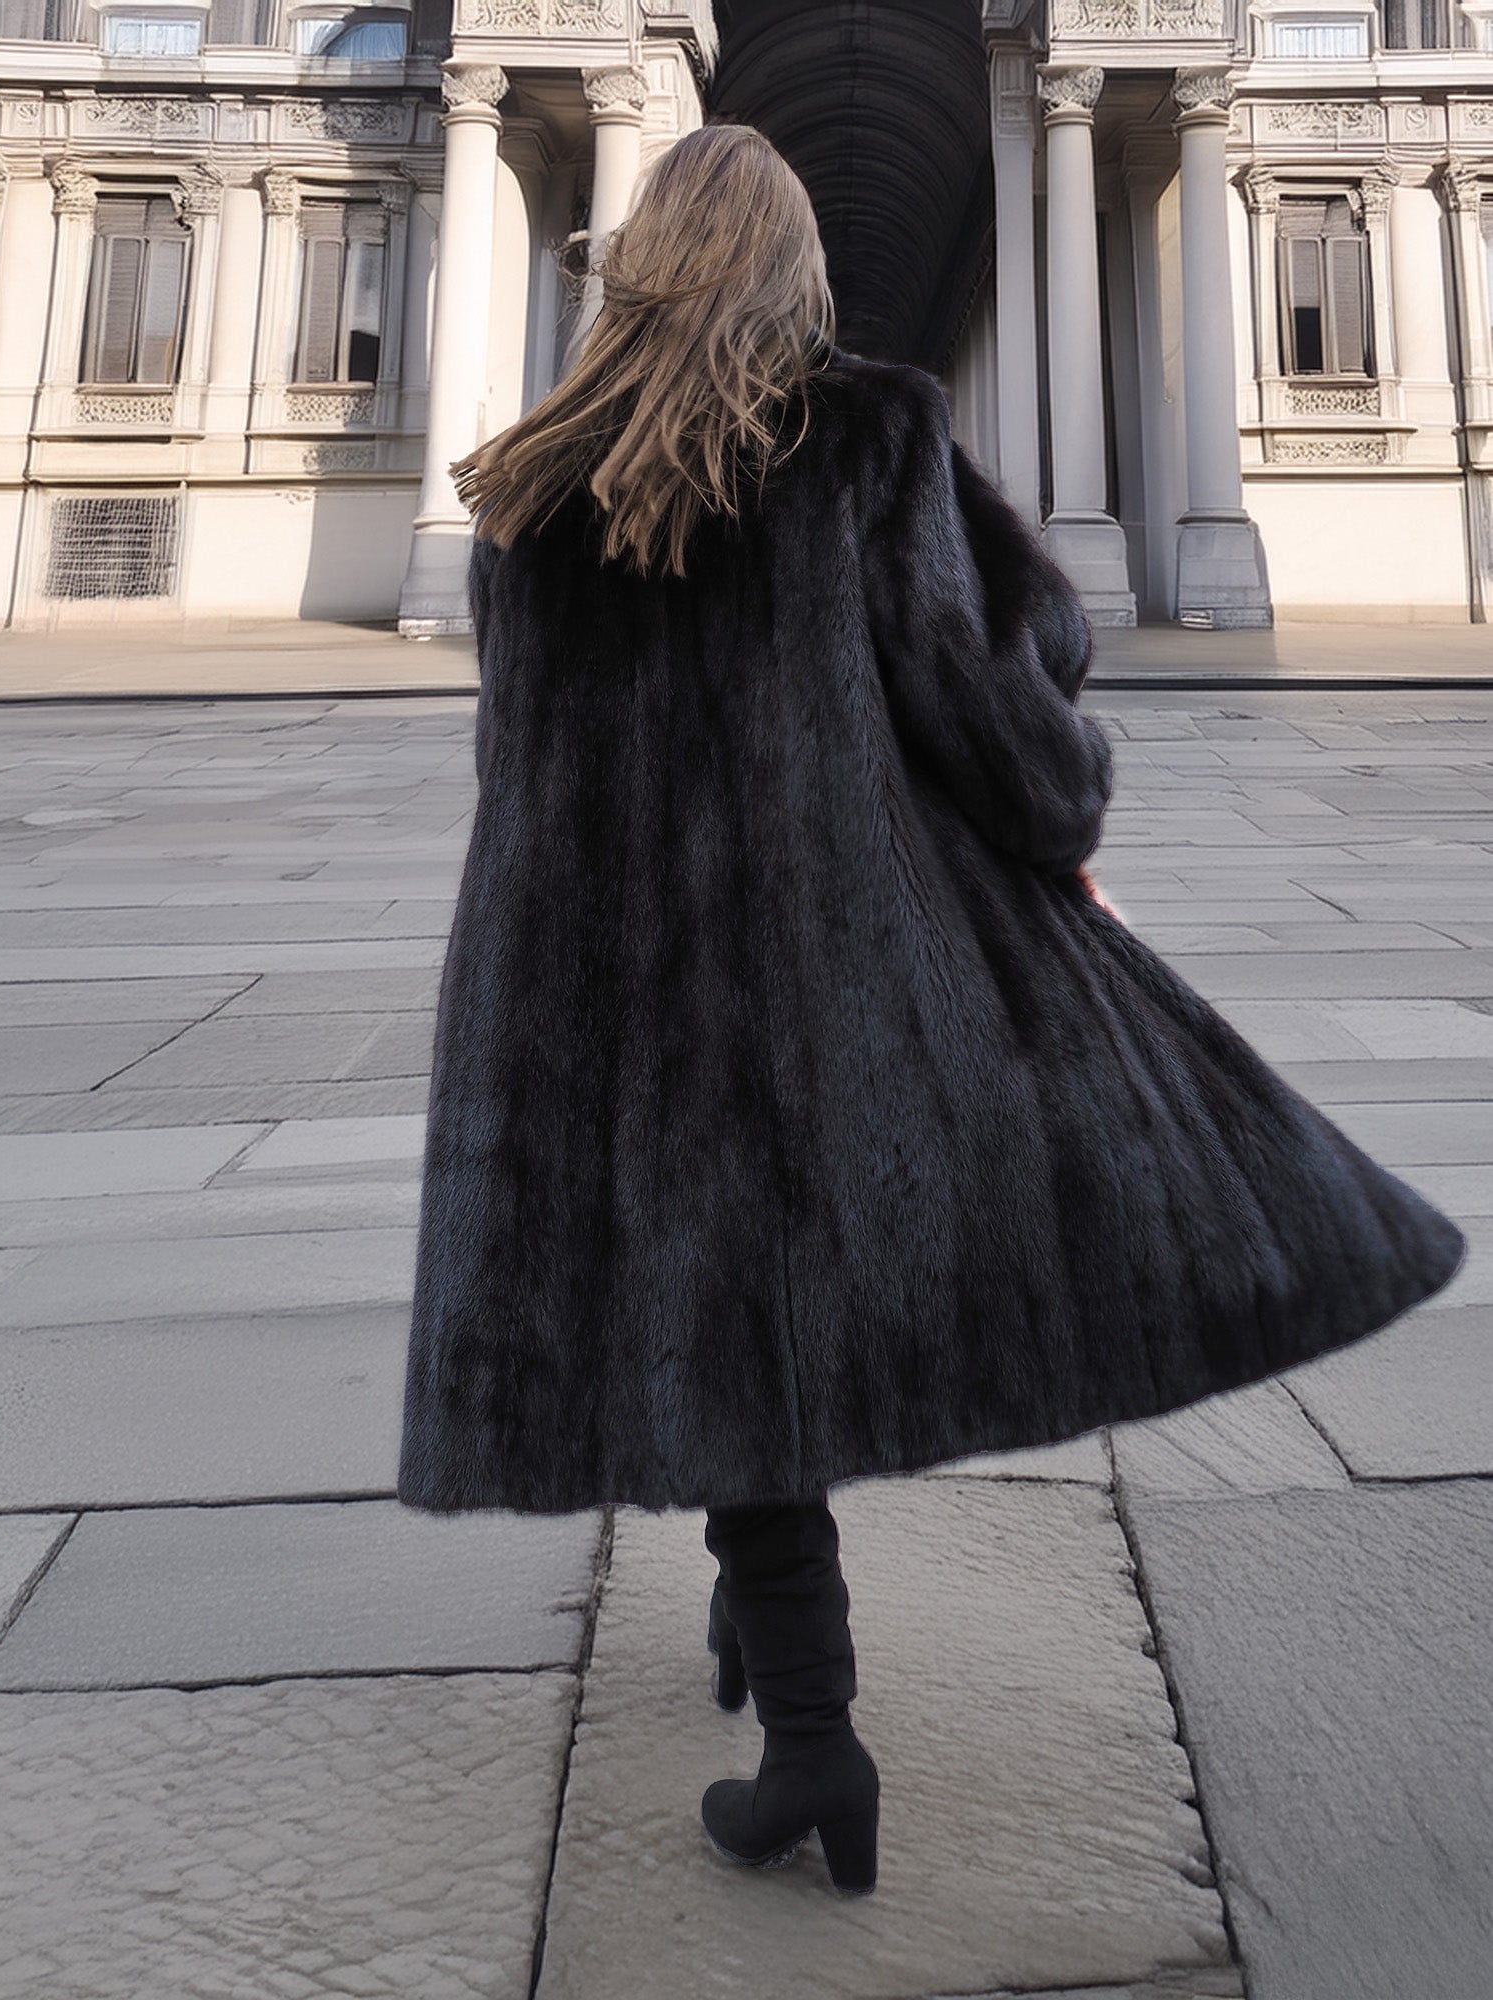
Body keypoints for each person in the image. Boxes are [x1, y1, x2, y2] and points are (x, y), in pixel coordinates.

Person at [396, 122, 1466, 1897]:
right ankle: (810, 1744)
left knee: (709, 1309)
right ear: (794, 267)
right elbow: (990, 707)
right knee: (786, 1301)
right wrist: (1065, 819)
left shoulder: (524, 492)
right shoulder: (863, 438)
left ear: (642, 258)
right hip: (823, 977)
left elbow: (525, 779)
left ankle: (786, 1681)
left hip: (598, 1003)